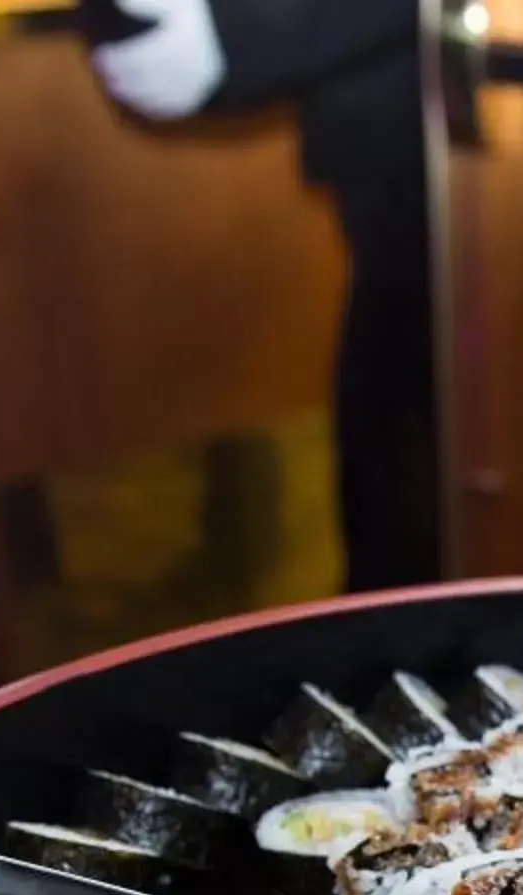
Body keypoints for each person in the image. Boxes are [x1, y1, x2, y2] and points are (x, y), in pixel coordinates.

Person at [83, 0, 442, 593]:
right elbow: (152, 52)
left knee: (405, 421)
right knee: (396, 424)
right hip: (403, 152)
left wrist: (243, 37)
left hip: (450, 149)